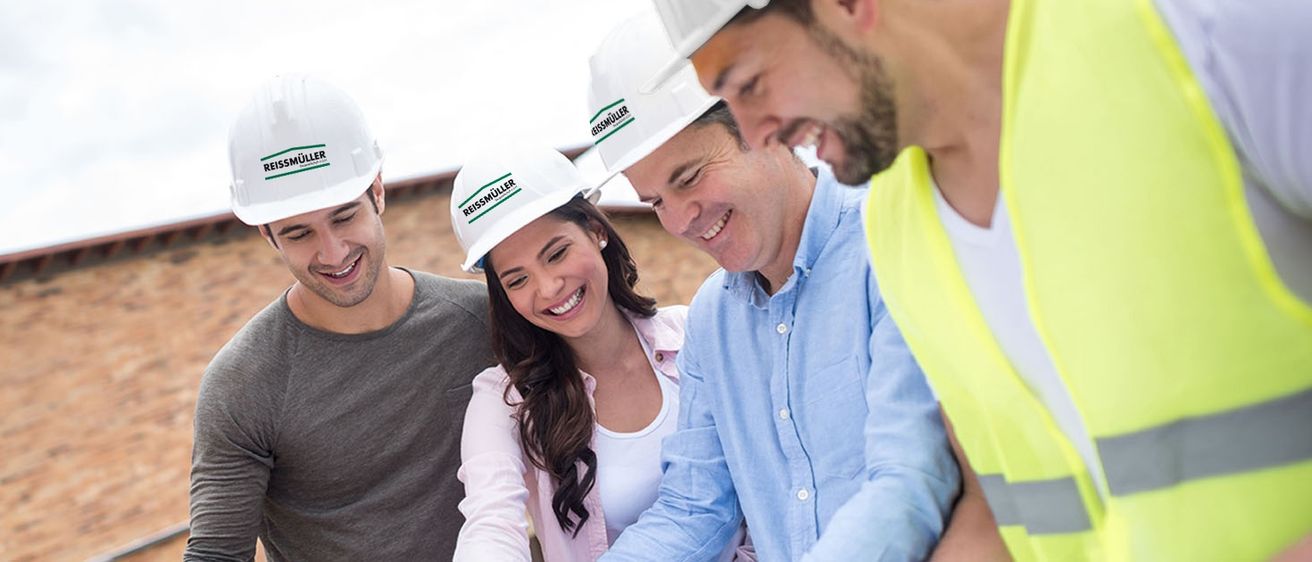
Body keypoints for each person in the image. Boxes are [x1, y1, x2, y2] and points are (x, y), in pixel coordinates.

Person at [642, 0, 1312, 560]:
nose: (758, 133)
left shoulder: (1199, 30)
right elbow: (997, 508)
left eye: (751, 84)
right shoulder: (899, 224)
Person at [588, 13, 959, 562]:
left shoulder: (889, 240)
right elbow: (695, 508)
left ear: (763, 126)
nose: (681, 219)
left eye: (688, 177)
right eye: (655, 201)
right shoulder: (711, 323)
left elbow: (910, 476)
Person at [186, 75, 494, 561]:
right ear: (268, 236)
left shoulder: (479, 322)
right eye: (298, 233)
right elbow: (217, 555)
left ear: (377, 192)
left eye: (344, 216)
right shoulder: (245, 384)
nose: (332, 252)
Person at [449, 145, 751, 562]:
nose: (549, 288)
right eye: (518, 280)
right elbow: (491, 520)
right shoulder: (503, 401)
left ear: (596, 230)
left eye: (556, 254)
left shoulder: (694, 336)